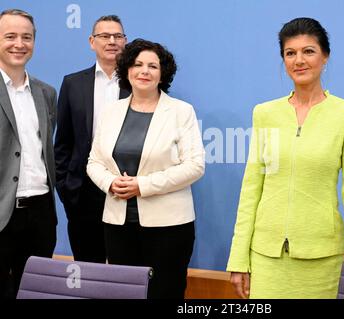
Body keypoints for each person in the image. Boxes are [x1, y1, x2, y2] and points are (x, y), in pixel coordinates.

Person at [227, 17, 344, 299]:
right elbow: (251, 189)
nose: (299, 60)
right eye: (290, 53)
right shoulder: (264, 113)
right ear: (284, 60)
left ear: (325, 57)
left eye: (308, 51)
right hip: (266, 257)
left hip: (321, 258)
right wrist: (239, 257)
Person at [87, 38, 205, 299]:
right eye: (137, 64)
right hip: (118, 225)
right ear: (127, 69)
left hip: (169, 228)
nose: (144, 71)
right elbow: (94, 162)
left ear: (163, 73)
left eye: (152, 66)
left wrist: (142, 185)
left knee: (165, 293)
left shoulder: (180, 111)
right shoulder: (111, 111)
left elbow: (195, 166)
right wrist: (109, 183)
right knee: (123, 294)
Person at [54, 15, 130, 263]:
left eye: (117, 36)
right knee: (88, 268)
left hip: (127, 190)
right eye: (104, 36)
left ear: (125, 41)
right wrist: (66, 188)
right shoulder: (73, 83)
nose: (111, 41)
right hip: (83, 193)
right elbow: (63, 143)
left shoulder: (139, 82)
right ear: (91, 41)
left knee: (125, 270)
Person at [0, 9, 57, 299]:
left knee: (38, 293)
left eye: (27, 37)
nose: (19, 44)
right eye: (10, 36)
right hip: (1, 213)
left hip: (41, 214)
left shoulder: (46, 93)